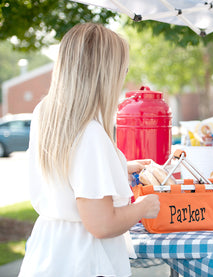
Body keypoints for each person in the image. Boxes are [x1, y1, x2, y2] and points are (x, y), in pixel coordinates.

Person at [18, 23, 160, 277]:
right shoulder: (90, 133)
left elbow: (64, 174)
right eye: (122, 69)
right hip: (86, 263)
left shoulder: (46, 113)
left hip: (48, 255)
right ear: (105, 74)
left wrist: (117, 169)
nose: (123, 77)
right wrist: (145, 206)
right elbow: (102, 224)